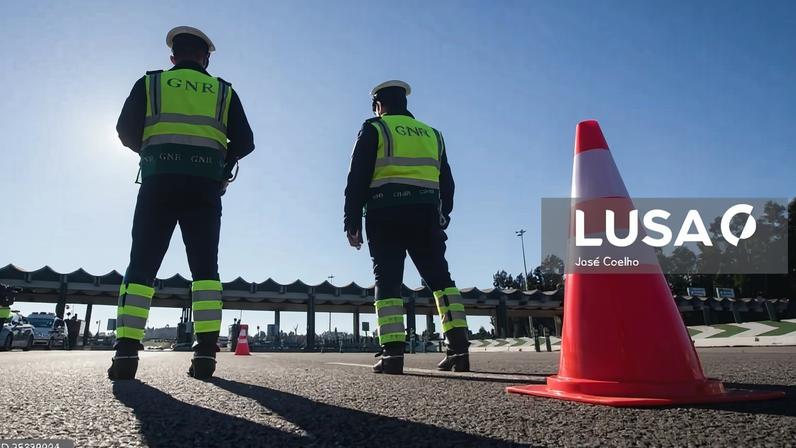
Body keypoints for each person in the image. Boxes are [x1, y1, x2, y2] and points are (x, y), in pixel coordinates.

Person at [108, 26, 255, 381]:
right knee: (205, 270)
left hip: (159, 182)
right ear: (206, 57)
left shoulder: (152, 83)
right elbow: (246, 141)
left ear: (173, 57)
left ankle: (126, 354)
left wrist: (155, 153)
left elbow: (124, 130)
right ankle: (205, 355)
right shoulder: (223, 91)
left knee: (142, 264)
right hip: (204, 186)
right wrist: (221, 165)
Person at [344, 80, 470, 374]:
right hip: (425, 215)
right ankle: (459, 351)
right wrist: (443, 214)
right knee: (440, 280)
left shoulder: (375, 128)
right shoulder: (432, 134)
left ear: (379, 105)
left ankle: (393, 355)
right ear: (405, 104)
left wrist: (351, 220)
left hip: (384, 212)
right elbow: (447, 183)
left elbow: (357, 178)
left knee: (387, 281)